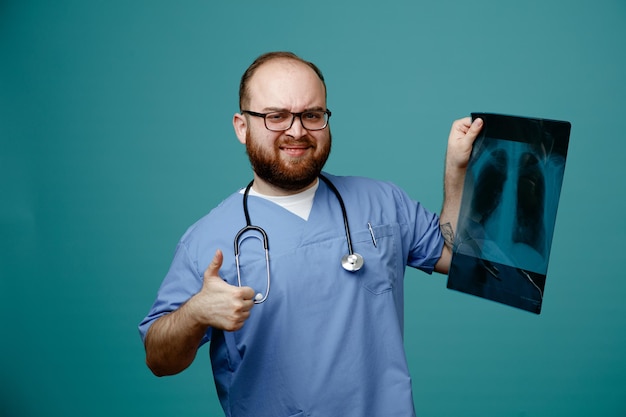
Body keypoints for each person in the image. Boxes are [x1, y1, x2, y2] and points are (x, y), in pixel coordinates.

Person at [138, 51, 483, 417]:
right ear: (242, 126)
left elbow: (463, 258)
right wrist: (195, 313)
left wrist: (457, 170)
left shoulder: (382, 202)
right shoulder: (208, 240)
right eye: (276, 116)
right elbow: (159, 360)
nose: (297, 130)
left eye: (312, 115)